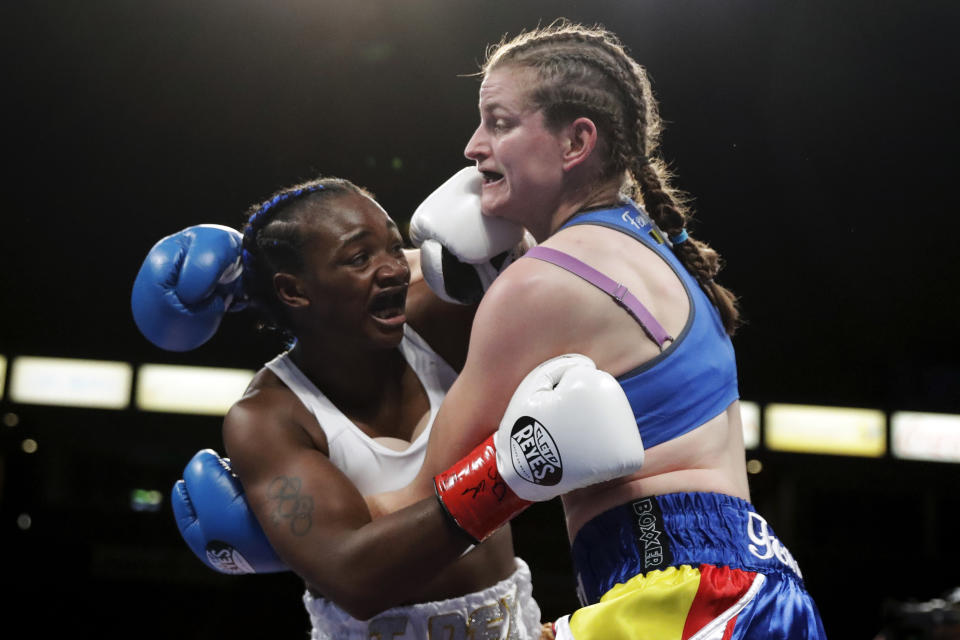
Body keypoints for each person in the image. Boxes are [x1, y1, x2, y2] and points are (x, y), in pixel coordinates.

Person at [369, 20, 828, 639]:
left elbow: (425, 504)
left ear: (575, 142)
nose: (473, 146)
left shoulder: (539, 286)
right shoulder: (648, 243)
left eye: (500, 122)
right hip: (754, 587)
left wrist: (291, 533)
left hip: (679, 599)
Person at [132, 175, 645, 639]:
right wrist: (509, 475)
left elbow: (573, 289)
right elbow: (354, 577)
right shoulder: (269, 417)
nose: (393, 270)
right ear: (293, 291)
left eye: (393, 247)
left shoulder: (436, 312)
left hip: (510, 624)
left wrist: (519, 243)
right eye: (359, 259)